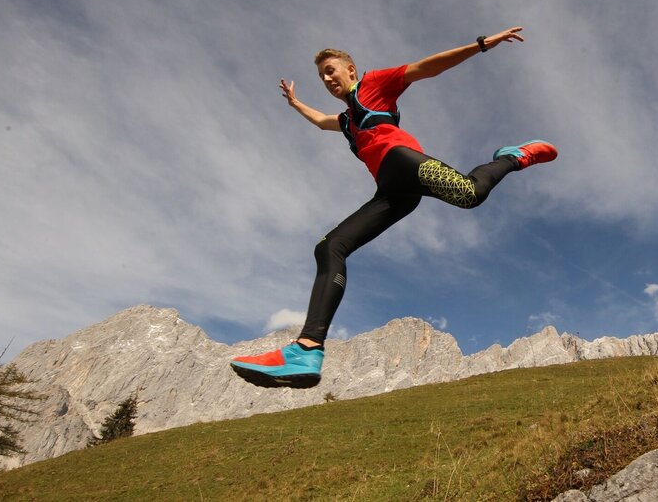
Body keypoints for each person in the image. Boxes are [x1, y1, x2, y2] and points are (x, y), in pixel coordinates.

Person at [230, 26, 557, 388]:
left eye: (331, 70)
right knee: (329, 247)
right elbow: (322, 121)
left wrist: (480, 45)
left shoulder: (374, 85)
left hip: (402, 160)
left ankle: (512, 157)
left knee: (469, 194)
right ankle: (306, 349)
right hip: (391, 191)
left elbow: (425, 68)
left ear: (350, 70)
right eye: (321, 76)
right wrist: (295, 104)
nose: (326, 79)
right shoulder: (344, 121)